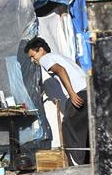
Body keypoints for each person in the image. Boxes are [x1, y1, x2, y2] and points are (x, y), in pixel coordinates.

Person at [24, 37, 89, 165]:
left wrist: (71, 93)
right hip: (88, 90)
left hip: (79, 93)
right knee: (84, 126)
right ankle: (88, 159)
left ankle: (78, 163)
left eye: (33, 56)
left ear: (41, 50)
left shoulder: (45, 58)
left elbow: (60, 70)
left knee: (68, 127)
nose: (33, 60)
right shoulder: (60, 56)